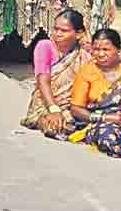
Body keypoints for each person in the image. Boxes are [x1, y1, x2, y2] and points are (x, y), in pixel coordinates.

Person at [69, 28, 121, 158]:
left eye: (106, 49)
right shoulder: (87, 72)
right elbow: (76, 109)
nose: (100, 54)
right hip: (103, 123)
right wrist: (105, 117)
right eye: (96, 49)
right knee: (107, 137)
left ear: (119, 50)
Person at [20, 9, 92, 139]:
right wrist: (54, 109)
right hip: (45, 103)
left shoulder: (84, 55)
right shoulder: (45, 46)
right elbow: (43, 80)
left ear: (78, 34)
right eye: (55, 29)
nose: (58, 34)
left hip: (73, 107)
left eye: (64, 31)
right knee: (56, 124)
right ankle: (47, 121)